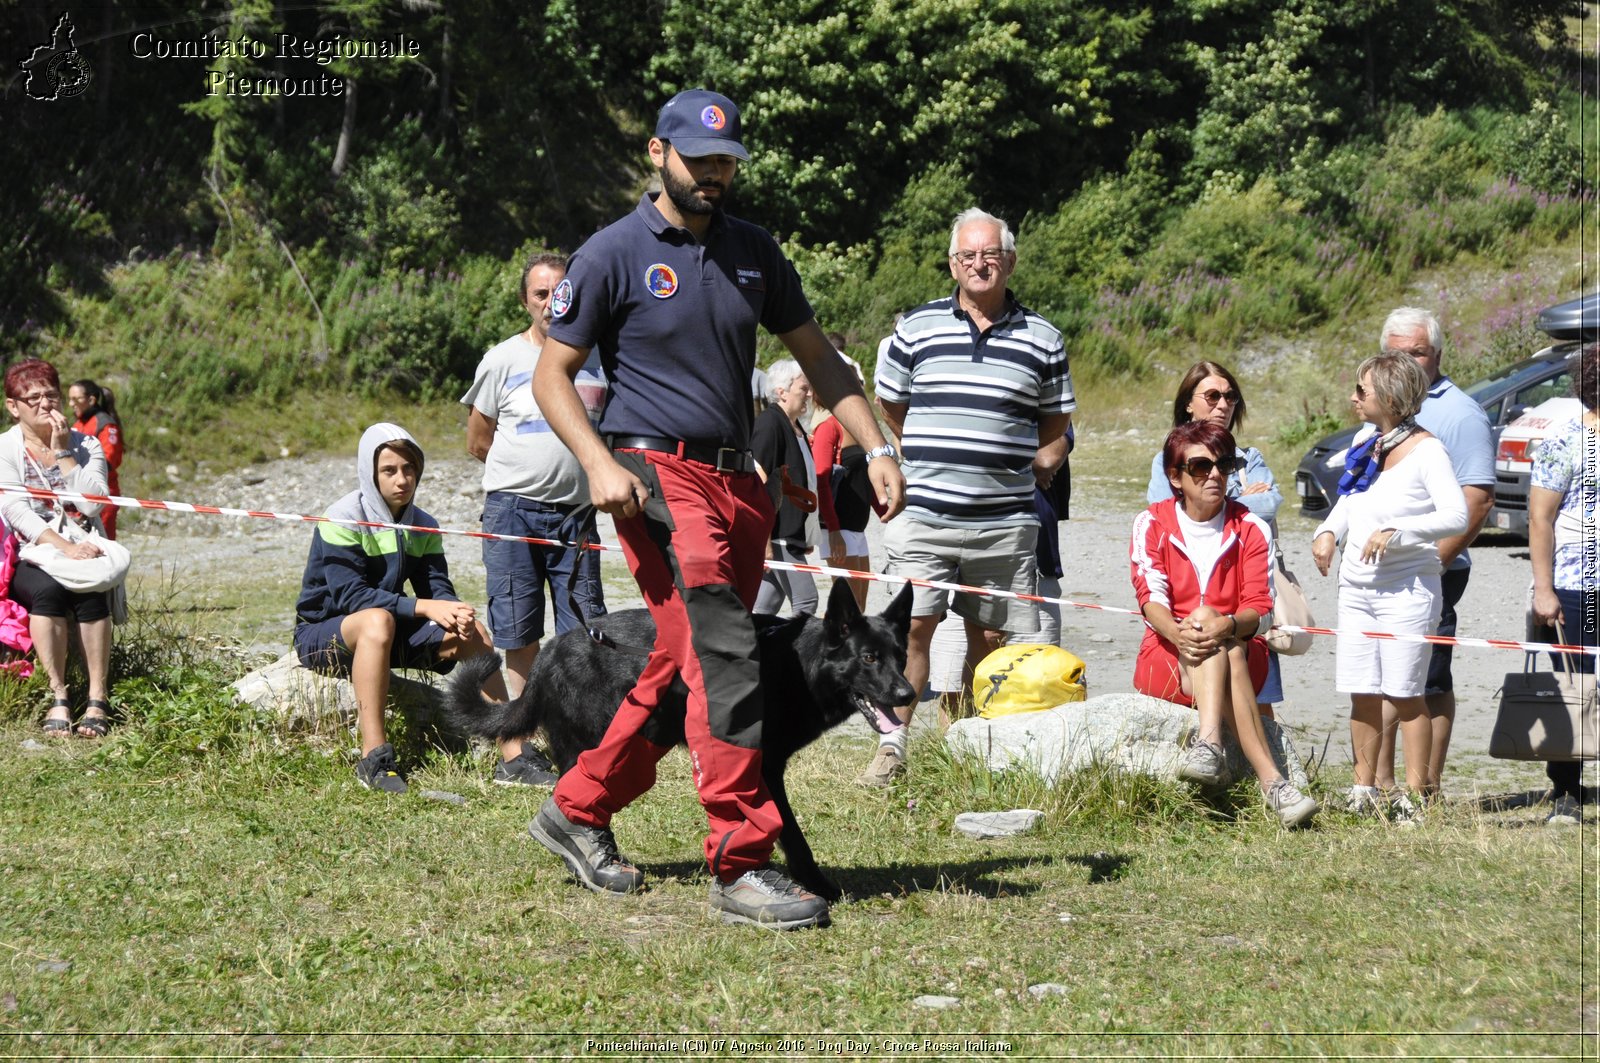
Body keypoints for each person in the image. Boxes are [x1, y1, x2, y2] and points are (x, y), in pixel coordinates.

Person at [527, 88, 905, 930]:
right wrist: (596, 462)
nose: (715, 177)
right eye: (700, 162)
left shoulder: (754, 251)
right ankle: (741, 859)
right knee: (725, 651)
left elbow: (825, 361)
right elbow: (551, 375)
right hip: (657, 477)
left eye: (727, 163)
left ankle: (577, 804)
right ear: (658, 155)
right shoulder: (611, 253)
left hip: (745, 485)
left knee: (679, 658)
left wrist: (874, 444)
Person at [861, 207, 1073, 786]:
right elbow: (892, 405)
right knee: (910, 630)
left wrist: (1007, 458)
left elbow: (1055, 422)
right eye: (967, 256)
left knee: (992, 636)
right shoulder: (916, 328)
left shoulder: (1044, 338)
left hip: (1005, 522)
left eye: (990, 255)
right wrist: (930, 452)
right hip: (923, 513)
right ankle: (892, 746)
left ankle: (978, 744)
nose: (979, 264)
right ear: (953, 263)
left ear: (1009, 261)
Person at [293, 423, 508, 794]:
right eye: (389, 470)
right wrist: (425, 606)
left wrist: (454, 611)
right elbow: (351, 598)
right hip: (326, 635)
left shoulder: (424, 524)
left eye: (409, 469)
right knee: (376, 620)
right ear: (369, 473)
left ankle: (515, 753)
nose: (402, 480)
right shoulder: (342, 516)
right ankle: (374, 759)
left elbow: (436, 590)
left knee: (475, 632)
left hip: (387, 634)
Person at [462, 252, 607, 787]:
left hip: (578, 518)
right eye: (540, 294)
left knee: (582, 634)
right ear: (525, 301)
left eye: (560, 292)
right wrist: (530, 477)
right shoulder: (501, 359)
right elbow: (479, 440)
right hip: (512, 513)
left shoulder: (597, 359)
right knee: (519, 633)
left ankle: (576, 746)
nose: (551, 303)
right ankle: (517, 754)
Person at [1131, 421, 1319, 826]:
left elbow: (1261, 610)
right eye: (1200, 466)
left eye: (1224, 464)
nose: (1215, 474)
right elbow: (1150, 600)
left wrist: (1228, 624)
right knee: (1207, 627)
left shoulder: (1251, 527)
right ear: (1174, 476)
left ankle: (1209, 744)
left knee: (1221, 636)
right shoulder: (1151, 523)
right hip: (1167, 654)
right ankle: (1274, 785)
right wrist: (1185, 634)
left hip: (1238, 647)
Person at [1312, 352, 1468, 816]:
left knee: (1404, 694)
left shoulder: (1428, 451)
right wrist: (1328, 532)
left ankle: (1415, 801)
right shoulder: (1369, 440)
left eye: (1361, 391)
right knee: (1362, 689)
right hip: (1357, 588)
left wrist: (1399, 534)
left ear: (1392, 398)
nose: (1353, 398)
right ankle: (1365, 791)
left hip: (1407, 590)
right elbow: (1350, 496)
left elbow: (1456, 515)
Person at [1372, 308, 1494, 795]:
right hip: (1382, 568)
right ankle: (1376, 785)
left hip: (1434, 568)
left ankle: (1423, 790)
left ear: (1437, 355)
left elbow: (1477, 498)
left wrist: (1434, 560)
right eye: (1397, 353)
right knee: (1381, 675)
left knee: (1429, 680)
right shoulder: (1380, 406)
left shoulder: (1459, 413)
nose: (1408, 361)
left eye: (1418, 353)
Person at [1145, 361, 1284, 716]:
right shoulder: (1168, 457)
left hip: (1245, 589)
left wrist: (1216, 500)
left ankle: (1261, 762)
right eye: (1212, 396)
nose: (1223, 405)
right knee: (1189, 692)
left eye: (1230, 396)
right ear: (1188, 403)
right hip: (1189, 595)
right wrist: (1238, 500)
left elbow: (1270, 506)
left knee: (1259, 697)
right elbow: (1163, 510)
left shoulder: (1248, 456)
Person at [0, 360, 116, 738]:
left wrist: (64, 452)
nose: (44, 404)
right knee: (46, 591)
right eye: (32, 398)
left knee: (91, 592)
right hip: (32, 547)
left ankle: (98, 697)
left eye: (50, 395)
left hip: (86, 539)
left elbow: (94, 505)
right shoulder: (5, 447)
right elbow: (16, 510)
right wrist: (64, 547)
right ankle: (59, 694)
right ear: (13, 406)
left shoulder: (86, 443)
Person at [1528, 343, 1598, 825]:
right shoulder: (1564, 440)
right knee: (1574, 688)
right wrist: (1543, 588)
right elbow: (1540, 517)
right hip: (1576, 585)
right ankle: (1567, 792)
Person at [750, 359, 820, 615]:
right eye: (804, 388)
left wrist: (807, 532)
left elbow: (804, 480)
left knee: (763, 606)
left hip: (790, 535)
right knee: (806, 602)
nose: (810, 394)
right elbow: (757, 481)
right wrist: (764, 540)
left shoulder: (796, 426)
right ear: (782, 391)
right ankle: (798, 656)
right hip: (778, 535)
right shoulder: (770, 424)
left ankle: (749, 652)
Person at [811, 355, 876, 611]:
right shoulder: (828, 428)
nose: (858, 387)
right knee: (847, 609)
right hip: (840, 526)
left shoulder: (859, 427)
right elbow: (821, 480)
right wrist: (834, 530)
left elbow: (863, 477)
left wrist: (885, 510)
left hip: (857, 527)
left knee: (860, 606)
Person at [68, 379, 123, 539]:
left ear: (91, 400)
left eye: (76, 399)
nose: (71, 404)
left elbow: (110, 459)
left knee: (103, 543)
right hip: (80, 492)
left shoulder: (106, 425)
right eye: (69, 399)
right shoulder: (78, 424)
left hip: (102, 493)